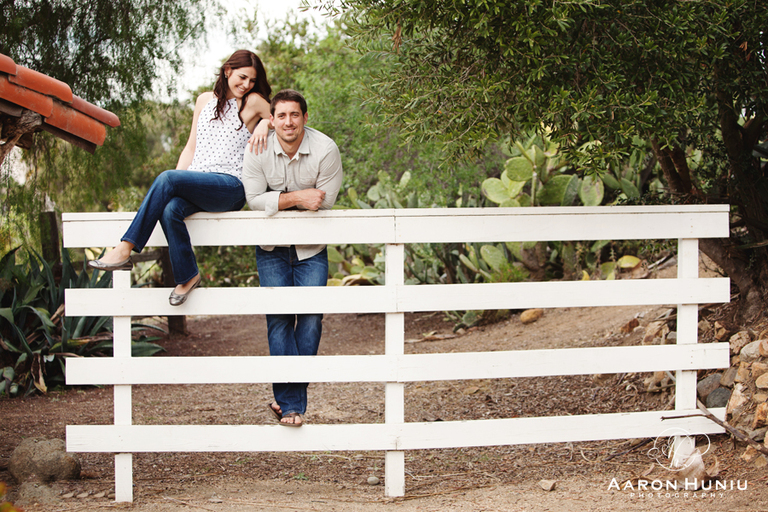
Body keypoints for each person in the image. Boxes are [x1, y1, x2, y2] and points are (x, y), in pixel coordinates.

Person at [88, 50, 272, 305]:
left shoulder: (252, 101)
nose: (246, 84)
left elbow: (285, 116)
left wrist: (265, 123)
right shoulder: (203, 100)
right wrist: (174, 184)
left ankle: (124, 249)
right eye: (242, 77)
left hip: (230, 186)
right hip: (200, 181)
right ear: (227, 70)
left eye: (252, 80)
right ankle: (187, 276)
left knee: (168, 179)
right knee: (170, 208)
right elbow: (191, 147)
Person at [242, 89, 343, 426]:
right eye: (281, 115)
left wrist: (278, 201)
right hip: (270, 249)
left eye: (294, 115)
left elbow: (325, 202)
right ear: (272, 120)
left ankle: (289, 401)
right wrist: (298, 196)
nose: (288, 122)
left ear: (305, 118)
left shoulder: (325, 149)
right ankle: (292, 406)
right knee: (280, 319)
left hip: (311, 248)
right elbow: (253, 198)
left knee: (311, 320)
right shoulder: (258, 148)